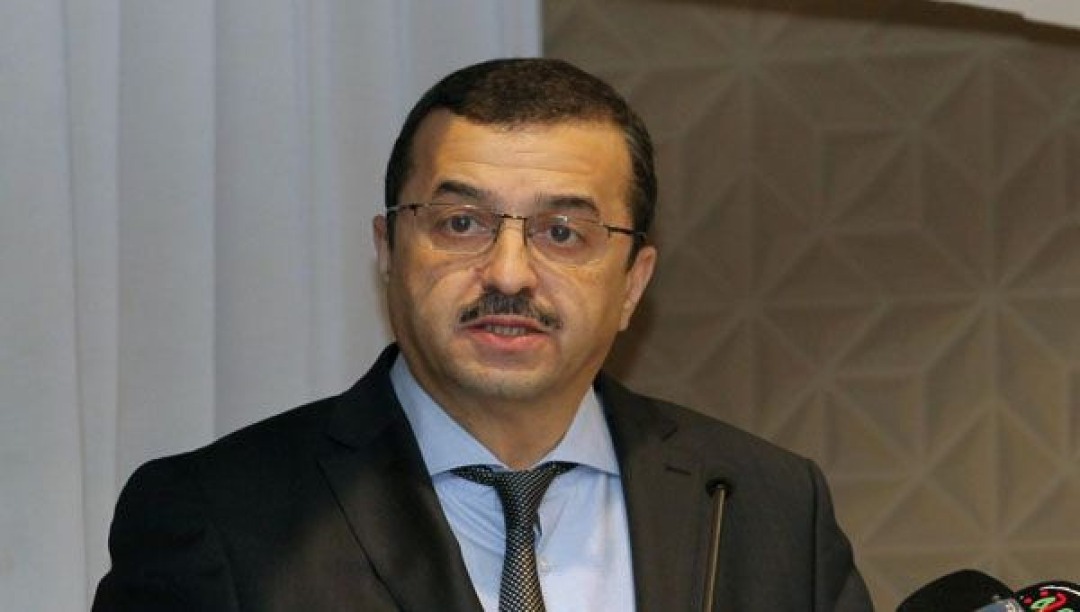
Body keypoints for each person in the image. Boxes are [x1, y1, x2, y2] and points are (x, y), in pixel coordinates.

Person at [93, 58, 873, 611]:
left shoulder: (767, 505)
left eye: (562, 232)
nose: (509, 273)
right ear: (388, 252)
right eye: (461, 223)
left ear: (633, 283)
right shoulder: (221, 515)